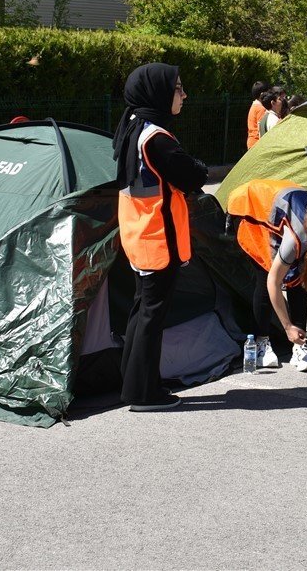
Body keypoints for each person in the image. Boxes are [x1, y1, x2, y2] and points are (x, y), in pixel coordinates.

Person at [113, 63, 208, 412]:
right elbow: (191, 175)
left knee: (142, 312)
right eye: (178, 88)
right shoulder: (155, 137)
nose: (183, 94)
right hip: (157, 238)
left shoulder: (133, 128)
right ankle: (142, 393)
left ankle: (136, 380)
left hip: (140, 235)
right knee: (151, 315)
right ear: (158, 93)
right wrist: (197, 167)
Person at [226, 179, 307, 373]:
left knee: (298, 281)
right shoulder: (296, 241)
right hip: (251, 209)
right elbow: (274, 283)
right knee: (266, 273)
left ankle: (299, 345)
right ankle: (261, 343)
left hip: (284, 206)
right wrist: (287, 327)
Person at [246, 81, 270, 149]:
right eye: (268, 92)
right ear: (262, 94)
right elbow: (261, 128)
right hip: (257, 143)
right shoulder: (261, 108)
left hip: (252, 141)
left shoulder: (254, 105)